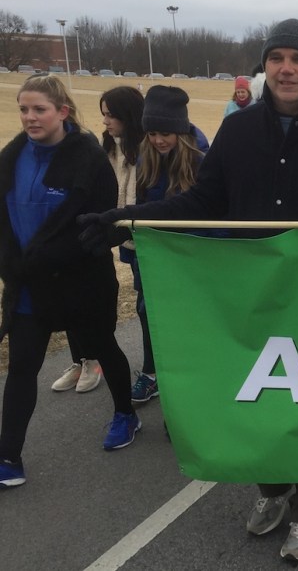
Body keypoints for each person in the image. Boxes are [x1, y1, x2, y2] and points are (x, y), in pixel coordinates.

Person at [78, 18, 298, 561]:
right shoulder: (239, 130)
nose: (286, 68)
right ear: (265, 66)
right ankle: (271, 488)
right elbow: (201, 203)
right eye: (277, 58)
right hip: (247, 295)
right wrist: (129, 219)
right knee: (258, 397)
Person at [0, 75, 141, 489]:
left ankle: (125, 414)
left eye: (39, 109)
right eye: (24, 109)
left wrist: (48, 258)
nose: (29, 117)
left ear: (62, 111)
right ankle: (8, 457)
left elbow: (94, 228)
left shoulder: (88, 159)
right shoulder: (12, 156)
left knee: (102, 348)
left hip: (82, 282)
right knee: (23, 367)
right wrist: (13, 265)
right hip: (29, 286)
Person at [52, 86, 145, 394]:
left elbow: (137, 199)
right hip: (104, 231)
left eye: (111, 115)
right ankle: (81, 360)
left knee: (141, 307)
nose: (105, 121)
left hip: (132, 236)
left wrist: (114, 229)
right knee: (69, 298)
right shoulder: (105, 148)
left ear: (128, 116)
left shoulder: (143, 149)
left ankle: (142, 370)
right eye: (103, 114)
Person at [129, 86, 207, 404]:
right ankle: (151, 373)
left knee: (186, 324)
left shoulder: (201, 161)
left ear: (180, 131)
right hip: (153, 258)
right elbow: (142, 207)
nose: (158, 140)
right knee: (147, 314)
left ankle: (187, 390)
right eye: (152, 133)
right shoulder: (147, 158)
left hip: (188, 260)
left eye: (165, 133)